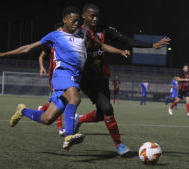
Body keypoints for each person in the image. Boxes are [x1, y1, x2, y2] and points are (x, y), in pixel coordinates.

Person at [0, 6, 130, 150]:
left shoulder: (84, 34)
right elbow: (28, 48)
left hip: (74, 78)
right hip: (62, 74)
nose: (76, 24)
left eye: (78, 21)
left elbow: (102, 46)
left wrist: (120, 51)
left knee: (47, 118)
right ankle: (68, 135)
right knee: (75, 99)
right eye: (73, 21)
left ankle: (22, 111)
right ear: (64, 20)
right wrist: (3, 54)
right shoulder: (55, 35)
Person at [72, 3, 170, 156]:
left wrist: (152, 45)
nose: (95, 18)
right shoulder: (76, 33)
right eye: (92, 15)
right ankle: (119, 145)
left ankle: (79, 119)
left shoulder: (105, 30)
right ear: (83, 16)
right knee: (108, 109)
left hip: (102, 77)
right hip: (86, 79)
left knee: (101, 113)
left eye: (97, 15)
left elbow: (125, 40)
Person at [38, 22, 66, 136]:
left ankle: (42, 108)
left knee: (62, 100)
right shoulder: (50, 43)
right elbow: (41, 56)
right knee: (58, 99)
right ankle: (60, 128)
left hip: (64, 75)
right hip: (53, 75)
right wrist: (41, 67)